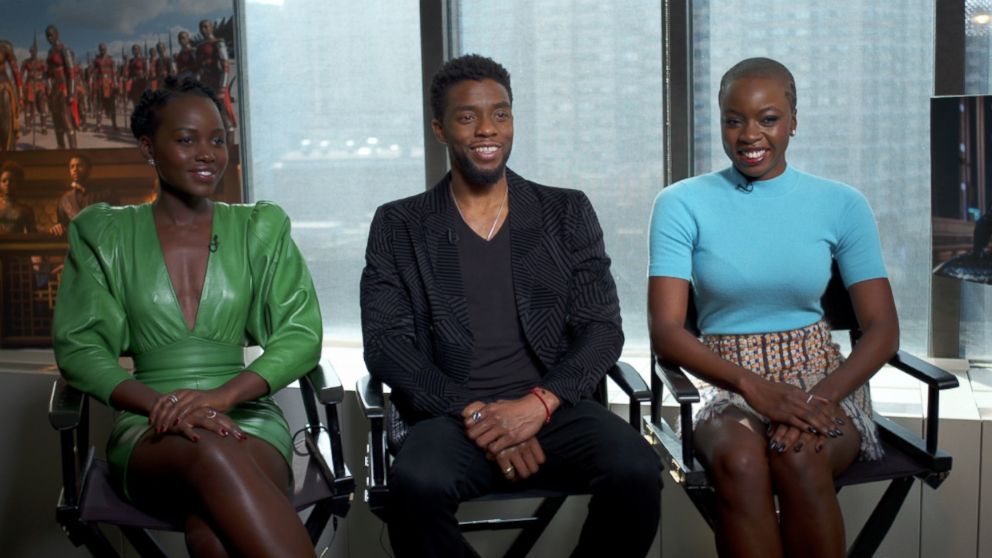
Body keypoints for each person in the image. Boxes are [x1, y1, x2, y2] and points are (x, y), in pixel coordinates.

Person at [360, 54, 661, 558]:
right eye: (467, 116)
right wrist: (479, 416)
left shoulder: (566, 211)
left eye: (500, 114)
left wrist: (535, 407)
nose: (487, 129)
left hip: (555, 410)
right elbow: (387, 345)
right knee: (414, 488)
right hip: (449, 416)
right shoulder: (399, 224)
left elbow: (603, 329)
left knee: (636, 470)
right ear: (439, 128)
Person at [53, 76, 321, 557]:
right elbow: (79, 349)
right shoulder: (103, 234)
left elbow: (300, 334)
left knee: (211, 534)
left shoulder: (259, 227)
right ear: (148, 148)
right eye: (186, 139)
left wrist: (221, 396)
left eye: (217, 140)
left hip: (248, 417)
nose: (207, 153)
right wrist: (160, 406)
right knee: (211, 449)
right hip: (147, 426)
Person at [648, 57, 899, 558]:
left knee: (801, 454)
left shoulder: (841, 203)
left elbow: (882, 328)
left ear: (793, 122)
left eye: (768, 118)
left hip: (821, 376)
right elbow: (666, 330)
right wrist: (753, 388)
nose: (749, 135)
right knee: (742, 460)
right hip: (724, 380)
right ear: (719, 120)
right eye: (733, 119)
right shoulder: (681, 203)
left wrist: (819, 398)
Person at [50, 153, 116, 236]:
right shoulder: (64, 199)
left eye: (79, 165)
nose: (75, 169)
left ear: (89, 169)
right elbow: (62, 224)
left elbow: (116, 221)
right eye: (72, 166)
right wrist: (58, 226)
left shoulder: (106, 193)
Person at [44, 25, 77, 149]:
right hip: (54, 89)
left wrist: (71, 93)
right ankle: (60, 147)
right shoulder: (49, 52)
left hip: (64, 87)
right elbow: (48, 71)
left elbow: (71, 72)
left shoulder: (64, 50)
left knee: (65, 118)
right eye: (47, 35)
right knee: (56, 119)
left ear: (57, 34)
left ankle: (73, 149)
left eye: (51, 34)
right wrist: (45, 76)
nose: (49, 37)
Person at [21, 39, 48, 137]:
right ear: (30, 52)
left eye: (35, 51)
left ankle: (43, 127)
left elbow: (47, 74)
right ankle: (28, 127)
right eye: (32, 51)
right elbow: (20, 74)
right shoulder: (26, 62)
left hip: (39, 86)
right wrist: (22, 85)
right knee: (28, 107)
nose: (33, 53)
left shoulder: (41, 62)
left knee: (41, 106)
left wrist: (40, 76)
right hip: (29, 86)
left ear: (37, 52)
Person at [0, 160, 36, 233]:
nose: (7, 184)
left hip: (16, 243)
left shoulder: (26, 210)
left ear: (18, 183)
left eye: (11, 181)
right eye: (4, 181)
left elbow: (33, 235)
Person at [91, 43, 118, 130]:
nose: (102, 50)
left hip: (109, 84)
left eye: (104, 48)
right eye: (101, 48)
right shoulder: (96, 60)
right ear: (99, 49)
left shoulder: (110, 59)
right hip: (100, 84)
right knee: (99, 104)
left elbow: (114, 72)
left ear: (106, 49)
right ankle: (98, 124)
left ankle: (114, 124)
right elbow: (93, 72)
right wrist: (92, 81)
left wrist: (116, 82)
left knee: (112, 104)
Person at [0, 39, 21, 151]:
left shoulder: (5, 46)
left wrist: (20, 96)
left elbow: (16, 73)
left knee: (5, 129)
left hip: (3, 91)